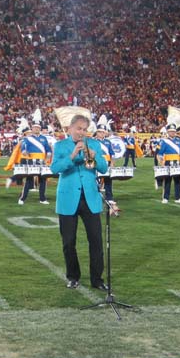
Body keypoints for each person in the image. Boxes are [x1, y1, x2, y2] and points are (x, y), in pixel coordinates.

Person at [50, 114, 108, 291]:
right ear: (70, 128)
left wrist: (95, 158)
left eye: (85, 129)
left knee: (96, 241)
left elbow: (104, 168)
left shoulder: (95, 144)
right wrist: (73, 155)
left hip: (90, 198)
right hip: (68, 199)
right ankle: (73, 277)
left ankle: (97, 279)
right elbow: (54, 168)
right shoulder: (60, 146)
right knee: (69, 242)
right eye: (79, 129)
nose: (82, 132)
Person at [158, 124, 180, 204]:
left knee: (178, 180)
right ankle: (166, 198)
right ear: (168, 132)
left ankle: (178, 198)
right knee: (167, 180)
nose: (172, 133)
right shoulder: (164, 141)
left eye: (173, 131)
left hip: (177, 162)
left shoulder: (179, 141)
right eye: (170, 131)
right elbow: (160, 153)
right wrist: (162, 163)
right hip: (168, 162)